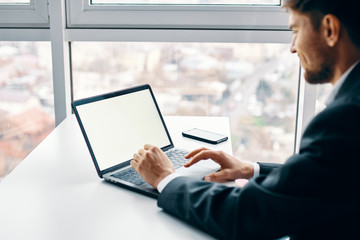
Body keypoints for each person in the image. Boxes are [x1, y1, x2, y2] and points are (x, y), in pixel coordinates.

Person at [130, 0, 360, 239]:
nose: (293, 47)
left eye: (296, 31)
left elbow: (245, 215)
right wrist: (252, 170)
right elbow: (324, 176)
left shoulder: (345, 119)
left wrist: (165, 179)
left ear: (330, 30)